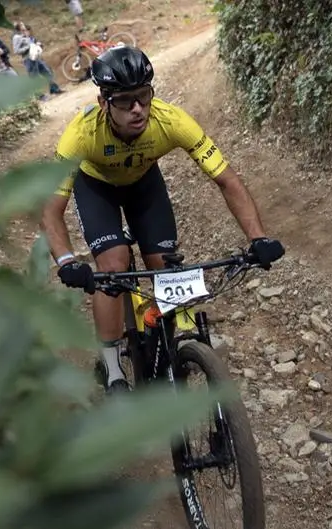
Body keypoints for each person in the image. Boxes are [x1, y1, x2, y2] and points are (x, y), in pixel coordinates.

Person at [40, 46, 285, 394]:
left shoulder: (170, 121)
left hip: (143, 184)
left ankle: (171, 349)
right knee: (113, 266)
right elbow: (50, 210)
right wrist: (66, 261)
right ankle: (113, 371)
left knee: (164, 265)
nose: (138, 109)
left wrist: (258, 238)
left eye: (144, 96)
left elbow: (227, 180)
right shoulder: (81, 135)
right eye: (126, 101)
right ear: (103, 102)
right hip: (97, 188)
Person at [12, 22, 63, 96]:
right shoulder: (16, 37)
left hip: (36, 57)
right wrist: (29, 47)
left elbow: (32, 43)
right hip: (28, 59)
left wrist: (37, 45)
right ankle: (39, 96)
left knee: (47, 72)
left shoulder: (25, 35)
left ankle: (54, 89)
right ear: (19, 27)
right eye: (22, 25)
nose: (24, 26)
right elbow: (16, 51)